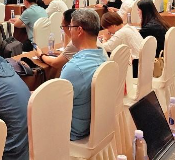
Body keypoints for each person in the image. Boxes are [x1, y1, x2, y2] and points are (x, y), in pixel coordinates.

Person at [60, 8, 107, 141]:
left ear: (79, 30)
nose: (69, 31)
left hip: (73, 133)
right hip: (97, 127)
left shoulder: (75, 68)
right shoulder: (104, 57)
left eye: (70, 27)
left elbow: (58, 106)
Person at [100, 11, 143, 77]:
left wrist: (105, 39)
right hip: (142, 62)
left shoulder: (120, 33)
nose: (108, 31)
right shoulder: (130, 27)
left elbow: (105, 47)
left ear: (113, 26)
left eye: (107, 28)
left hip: (135, 66)